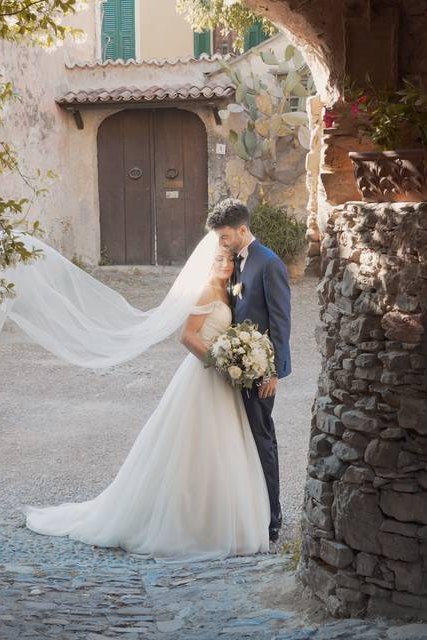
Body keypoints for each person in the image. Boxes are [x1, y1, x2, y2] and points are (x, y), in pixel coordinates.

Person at [23, 245, 271, 562]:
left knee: (225, 447)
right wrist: (219, 362)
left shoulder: (231, 290)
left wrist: (241, 356)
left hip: (225, 383)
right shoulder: (206, 291)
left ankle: (221, 519)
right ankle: (186, 523)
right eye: (218, 260)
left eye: (229, 259)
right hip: (204, 376)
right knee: (193, 448)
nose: (225, 265)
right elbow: (187, 336)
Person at [207, 198, 292, 543]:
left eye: (225, 236)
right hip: (235, 367)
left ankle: (273, 517)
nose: (221, 243)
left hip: (259, 371)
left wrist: (273, 372)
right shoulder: (234, 262)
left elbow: (281, 321)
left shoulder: (269, 263)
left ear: (242, 230)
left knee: (262, 440)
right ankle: (245, 510)